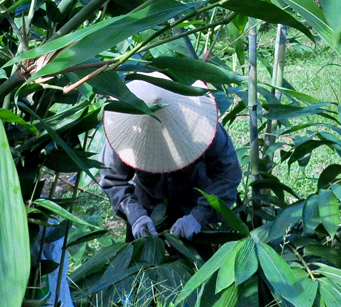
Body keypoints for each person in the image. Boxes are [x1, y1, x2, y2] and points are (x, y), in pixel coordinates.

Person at [97, 74, 241, 242]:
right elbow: (112, 180)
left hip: (192, 198)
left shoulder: (205, 127)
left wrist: (200, 216)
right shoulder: (124, 132)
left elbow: (228, 173)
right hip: (145, 200)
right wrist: (135, 215)